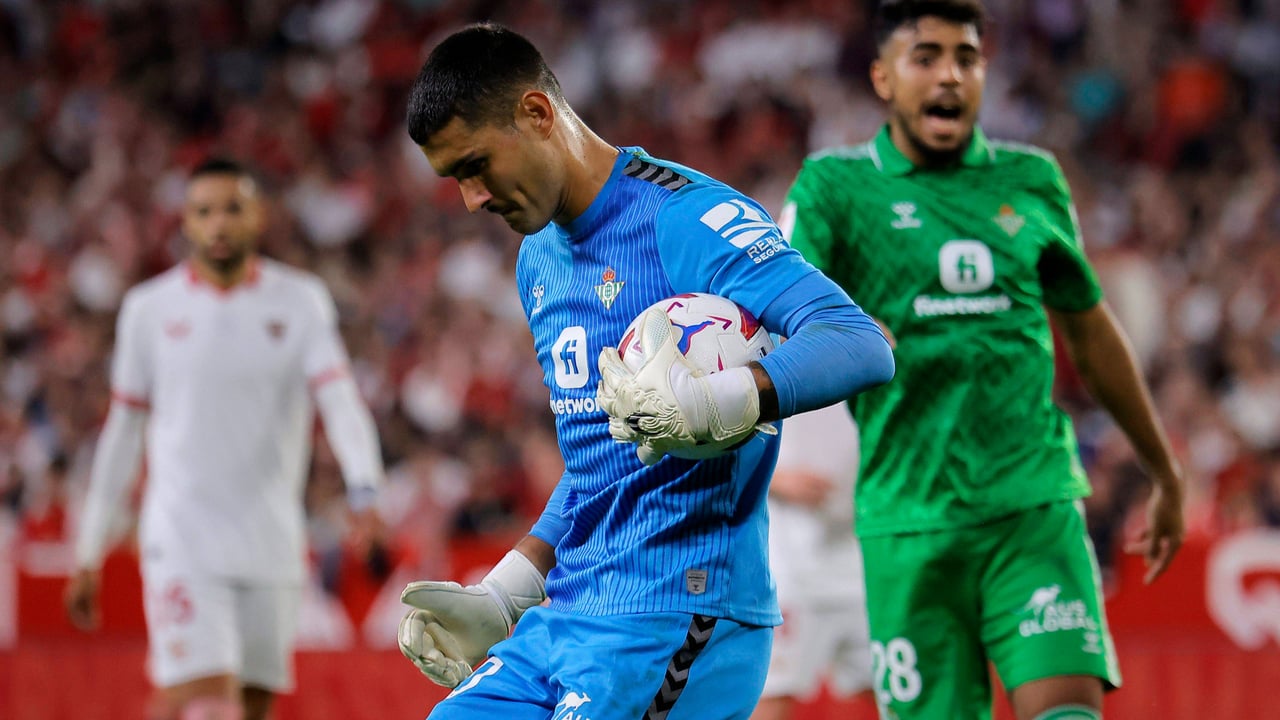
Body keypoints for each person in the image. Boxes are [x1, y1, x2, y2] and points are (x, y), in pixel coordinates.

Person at [393, 23, 895, 720]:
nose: (471, 198)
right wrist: (507, 592)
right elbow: (600, 461)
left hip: (680, 613)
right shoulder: (538, 260)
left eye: (476, 165)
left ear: (537, 114)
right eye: (455, 179)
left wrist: (720, 399)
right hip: (565, 618)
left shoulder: (687, 218)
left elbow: (858, 341)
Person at [777, 2, 1186, 719]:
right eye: (926, 56)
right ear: (882, 76)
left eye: (966, 58)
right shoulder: (834, 190)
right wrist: (843, 329)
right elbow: (783, 308)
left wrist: (1164, 469)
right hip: (907, 522)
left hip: (1028, 505)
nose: (950, 76)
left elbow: (1091, 335)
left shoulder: (1031, 182)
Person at [64, 158, 386, 720]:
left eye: (233, 209)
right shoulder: (149, 311)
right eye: (203, 211)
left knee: (243, 710)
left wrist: (365, 494)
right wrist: (91, 547)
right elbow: (122, 433)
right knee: (212, 706)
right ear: (185, 223)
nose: (218, 224)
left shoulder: (301, 302)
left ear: (258, 216)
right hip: (181, 541)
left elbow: (341, 404)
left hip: (271, 544)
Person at [751, 401, 875, 720]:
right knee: (772, 696)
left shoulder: (880, 357)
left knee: (896, 689)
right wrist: (775, 477)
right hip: (789, 562)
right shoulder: (769, 354)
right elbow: (708, 428)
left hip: (860, 552)